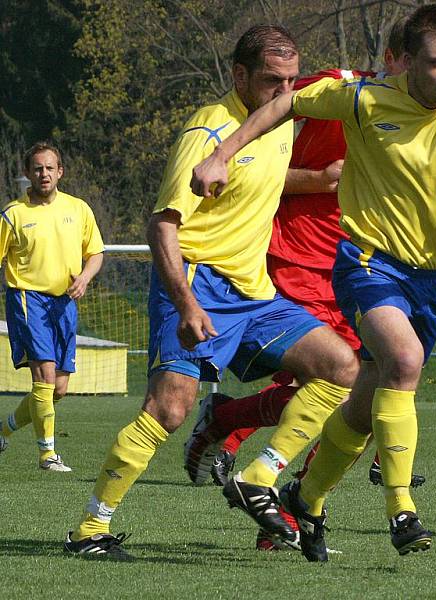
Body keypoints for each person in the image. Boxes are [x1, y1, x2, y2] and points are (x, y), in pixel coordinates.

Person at [191, 4, 436, 562]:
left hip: (432, 281)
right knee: (402, 362)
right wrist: (222, 153)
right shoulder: (363, 99)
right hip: (367, 262)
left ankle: (304, 497)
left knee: (363, 405)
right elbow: (287, 103)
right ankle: (401, 509)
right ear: (408, 62)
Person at [63, 24, 360, 561]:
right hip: (200, 284)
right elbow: (162, 227)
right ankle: (89, 530)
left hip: (256, 294)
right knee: (168, 410)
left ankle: (257, 477)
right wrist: (186, 304)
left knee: (340, 368)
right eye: (273, 80)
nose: (285, 92)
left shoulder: (279, 120)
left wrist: (316, 178)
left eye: (292, 80)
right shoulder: (207, 133)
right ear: (239, 75)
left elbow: (260, 177)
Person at [0, 142, 104, 472]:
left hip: (65, 303)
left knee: (57, 389)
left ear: (60, 172)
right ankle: (48, 454)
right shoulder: (13, 214)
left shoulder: (79, 209)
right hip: (28, 300)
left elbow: (96, 253)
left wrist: (85, 278)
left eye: (49, 168)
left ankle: (2, 431)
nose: (43, 174)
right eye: (37, 169)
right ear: (27, 173)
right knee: (44, 376)